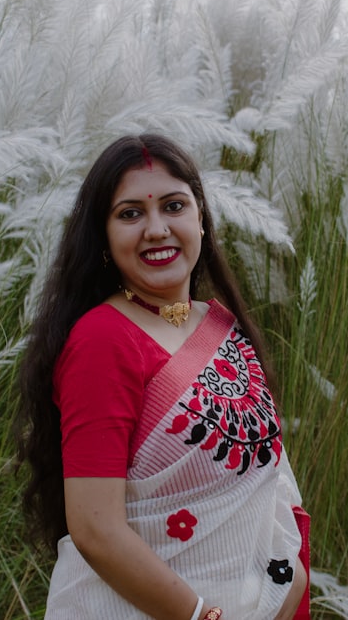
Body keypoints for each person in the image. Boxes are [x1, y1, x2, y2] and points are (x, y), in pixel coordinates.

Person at [17, 134, 310, 619]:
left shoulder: (218, 322)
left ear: (200, 219)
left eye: (174, 206)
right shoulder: (103, 340)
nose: (156, 229)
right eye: (130, 213)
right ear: (104, 238)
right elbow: (95, 528)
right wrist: (200, 616)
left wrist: (290, 579)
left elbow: (268, 479)